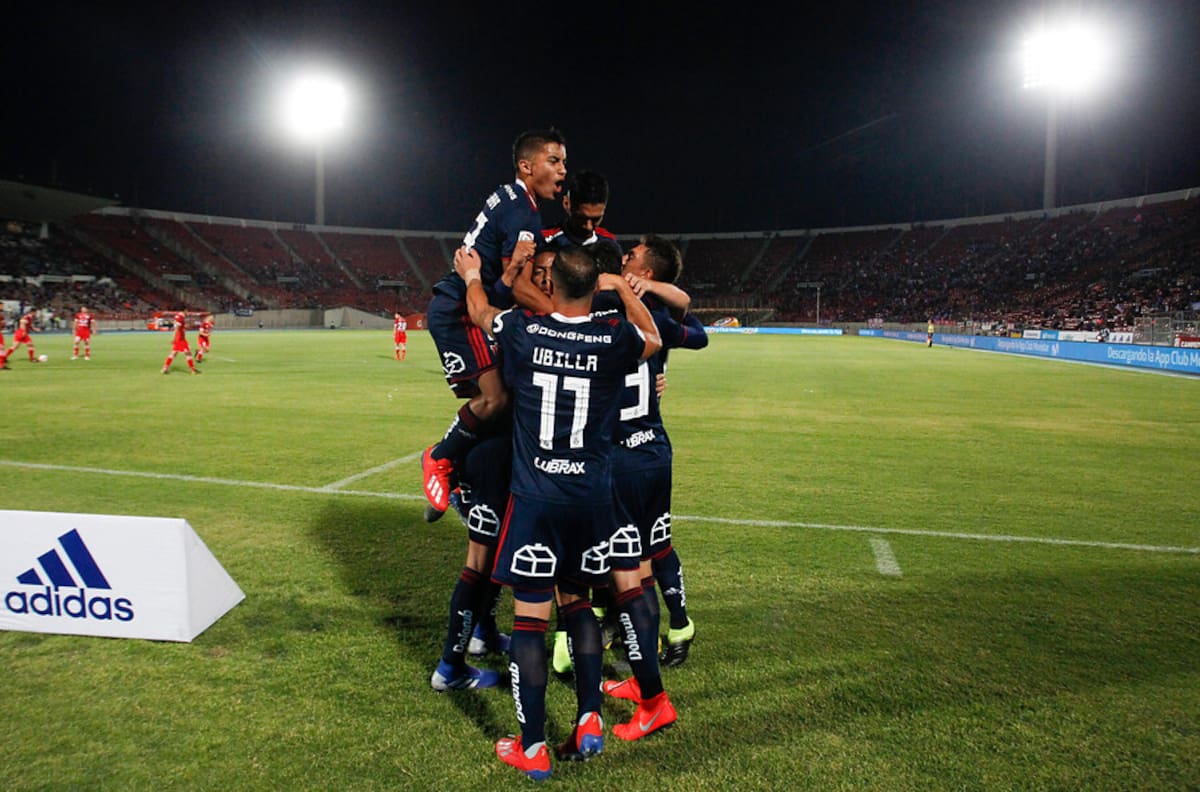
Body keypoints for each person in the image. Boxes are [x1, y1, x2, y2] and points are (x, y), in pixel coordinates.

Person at [455, 244, 667, 781]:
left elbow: (479, 311)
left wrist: (473, 273)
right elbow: (653, 338)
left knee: (530, 621)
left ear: (550, 286)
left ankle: (532, 747)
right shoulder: (613, 338)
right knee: (578, 606)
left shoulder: (524, 330)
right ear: (595, 287)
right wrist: (622, 291)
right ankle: (589, 716)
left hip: (537, 501)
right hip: (592, 503)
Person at [421, 128, 567, 516]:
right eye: (554, 161)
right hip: (460, 312)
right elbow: (517, 287)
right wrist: (563, 318)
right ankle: (440, 459)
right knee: (495, 399)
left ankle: (464, 476)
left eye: (564, 163)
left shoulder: (511, 198)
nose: (562, 170)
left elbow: (505, 284)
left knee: (505, 400)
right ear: (527, 166)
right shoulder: (522, 212)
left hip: (472, 306)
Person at [604, 236, 708, 682]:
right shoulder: (654, 319)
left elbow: (697, 331)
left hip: (626, 450)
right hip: (648, 447)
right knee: (645, 546)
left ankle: (647, 634)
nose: (624, 257)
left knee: (634, 551)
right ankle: (647, 626)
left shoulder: (625, 314)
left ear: (644, 274)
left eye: (632, 257)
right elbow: (698, 333)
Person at [542, 170, 621, 257]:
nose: (588, 227)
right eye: (581, 218)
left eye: (596, 219)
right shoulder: (545, 241)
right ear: (566, 204)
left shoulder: (610, 245)